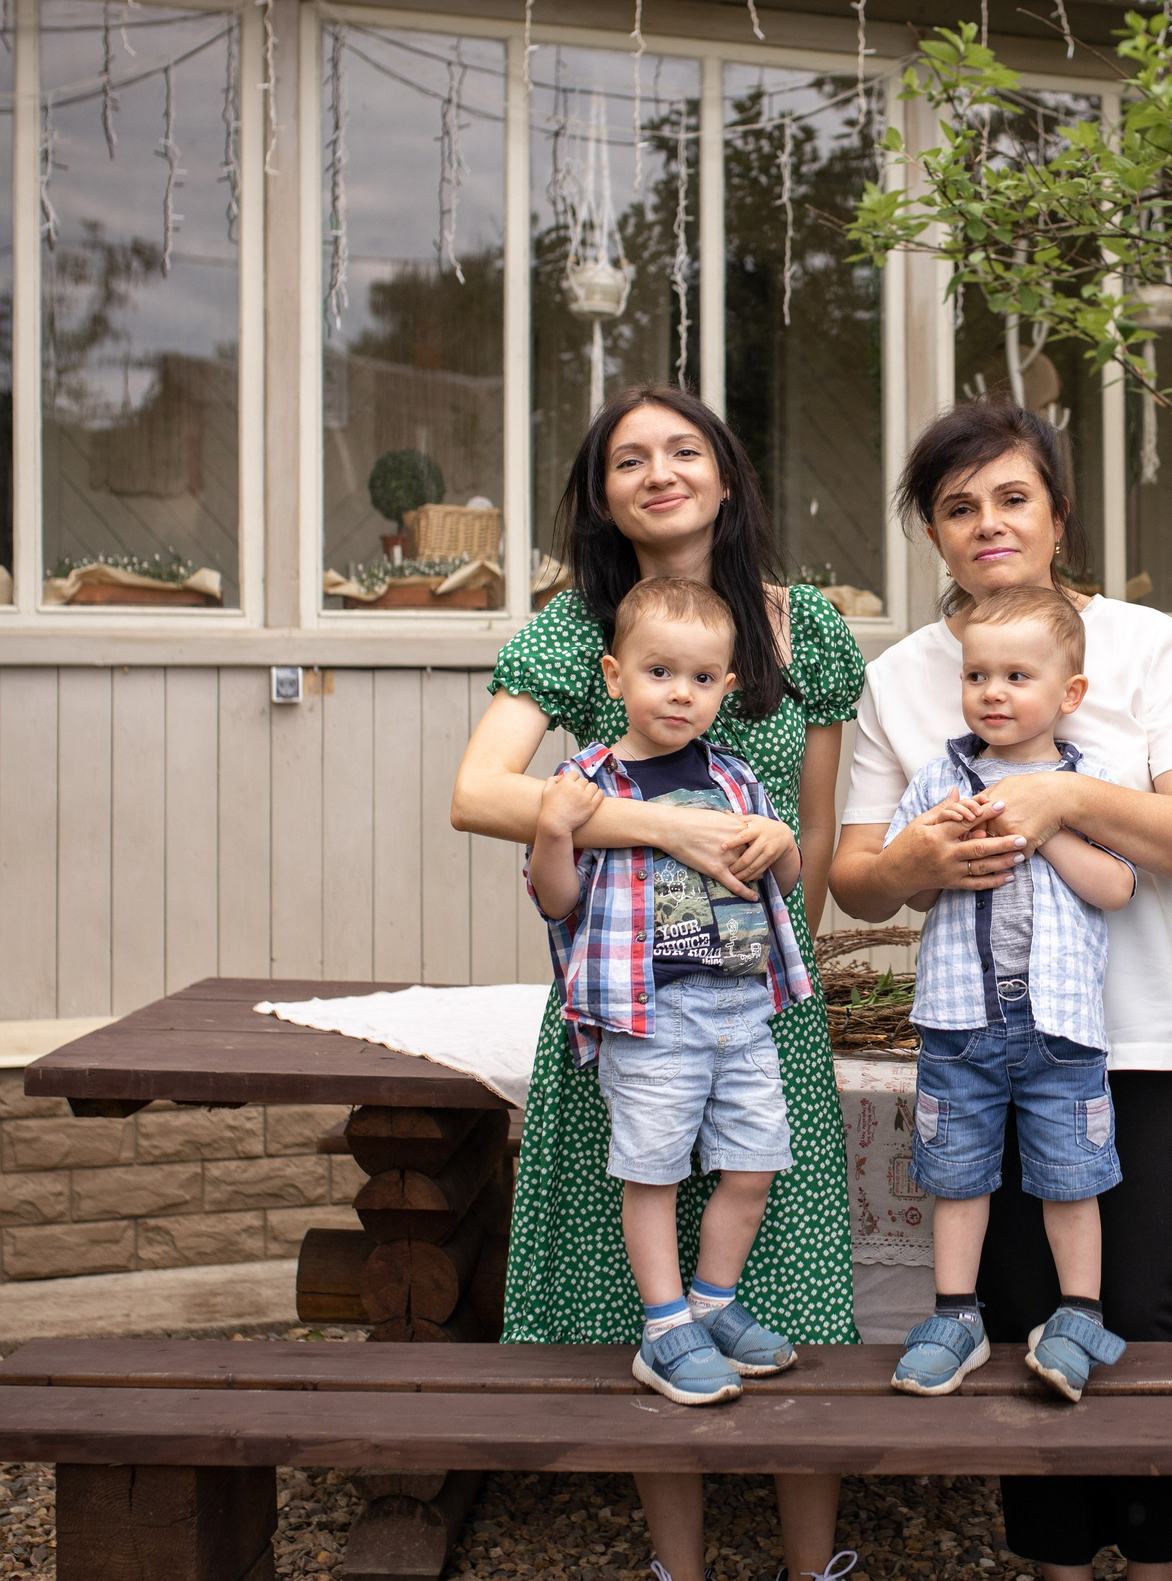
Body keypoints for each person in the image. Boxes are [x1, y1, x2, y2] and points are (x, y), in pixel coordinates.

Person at [452, 386, 865, 1581]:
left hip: (762, 1008)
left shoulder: (810, 633)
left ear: (727, 478)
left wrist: (800, 990)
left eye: (683, 450)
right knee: (645, 1304)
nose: (658, 471)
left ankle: (810, 1566)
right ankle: (675, 1568)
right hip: (621, 1015)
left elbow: (818, 831)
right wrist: (661, 830)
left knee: (784, 1281)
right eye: (627, 459)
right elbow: (478, 791)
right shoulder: (572, 632)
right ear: (603, 496)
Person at [831, 399, 1172, 1581]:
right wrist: (917, 862)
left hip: (1135, 1036)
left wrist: (1061, 801)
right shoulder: (900, 680)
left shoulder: (1144, 643)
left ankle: (1160, 1558)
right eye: (958, 507)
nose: (987, 522)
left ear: (1059, 514)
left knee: (1136, 1308)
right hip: (982, 1036)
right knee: (1012, 1315)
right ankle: (1056, 1561)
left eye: (1012, 497)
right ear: (933, 535)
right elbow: (858, 880)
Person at [525, 575, 811, 1407]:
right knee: (652, 1172)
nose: (678, 693)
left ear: (727, 688)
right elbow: (555, 899)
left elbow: (783, 881)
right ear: (616, 677)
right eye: (658, 672)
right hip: (651, 1018)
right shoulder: (587, 783)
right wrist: (553, 827)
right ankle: (663, 1328)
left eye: (699, 677)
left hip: (743, 1012)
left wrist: (781, 835)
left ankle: (713, 1302)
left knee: (753, 1165)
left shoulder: (736, 780)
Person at [881, 585, 1135, 1400]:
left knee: (1073, 1176)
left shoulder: (1089, 782)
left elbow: (1118, 887)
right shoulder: (939, 781)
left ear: (1069, 694)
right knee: (957, 1176)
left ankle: (1077, 1314)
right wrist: (935, 852)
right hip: (958, 1025)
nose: (994, 691)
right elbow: (908, 892)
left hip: (1062, 1027)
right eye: (977, 674)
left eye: (1017, 676)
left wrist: (1051, 826)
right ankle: (955, 1316)